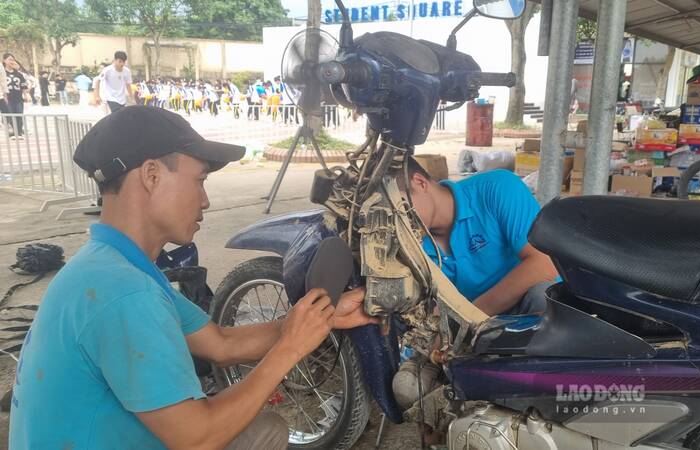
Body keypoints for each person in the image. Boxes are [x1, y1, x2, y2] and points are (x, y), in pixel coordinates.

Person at [9, 106, 378, 449]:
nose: (205, 200)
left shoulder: (109, 262)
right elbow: (197, 439)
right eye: (199, 180)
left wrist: (319, 320)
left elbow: (220, 344)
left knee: (266, 429)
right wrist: (290, 349)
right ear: (151, 175)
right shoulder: (124, 293)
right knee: (253, 431)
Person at [391, 159, 559, 425]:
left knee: (544, 295)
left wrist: (467, 317)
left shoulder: (497, 189)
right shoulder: (409, 239)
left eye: (400, 208)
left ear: (420, 183)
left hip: (521, 314)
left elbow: (544, 264)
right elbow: (425, 308)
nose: (399, 222)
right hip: (462, 333)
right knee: (407, 389)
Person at [2, 54, 28, 139]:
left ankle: (19, 132)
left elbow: (23, 85)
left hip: (18, 97)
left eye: (13, 60)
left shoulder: (18, 74)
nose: (12, 61)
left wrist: (25, 95)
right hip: (7, 98)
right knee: (10, 114)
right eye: (9, 59)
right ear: (4, 60)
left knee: (19, 114)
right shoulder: (2, 73)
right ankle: (12, 132)